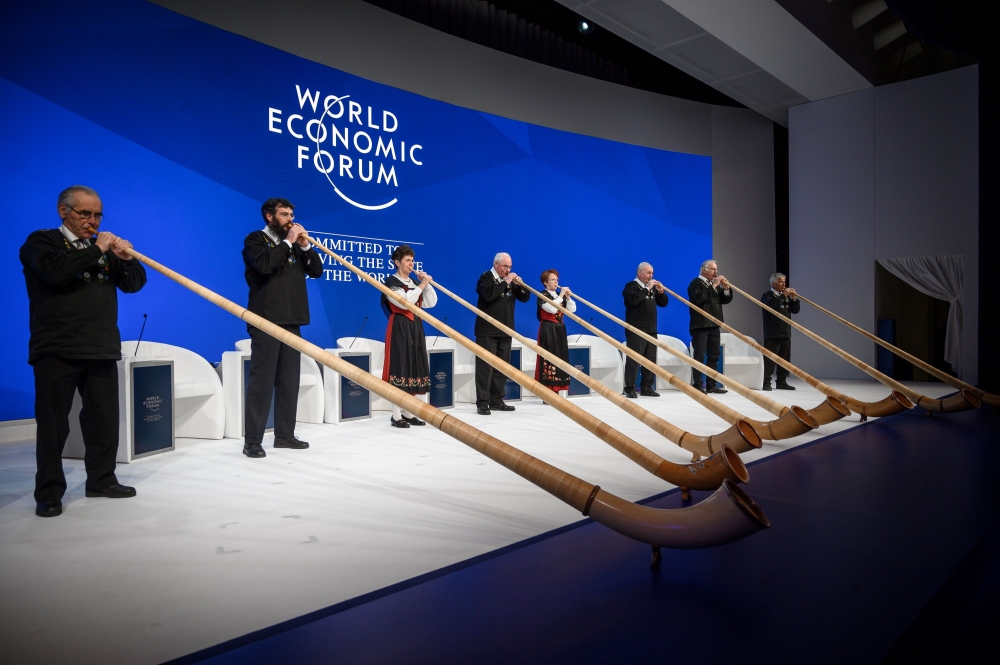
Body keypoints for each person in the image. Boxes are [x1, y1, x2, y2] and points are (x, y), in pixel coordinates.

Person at [20, 185, 147, 518]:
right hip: (56, 348)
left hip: (101, 347)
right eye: (85, 214)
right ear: (64, 211)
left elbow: (133, 284)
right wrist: (98, 249)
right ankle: (48, 492)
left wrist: (126, 259)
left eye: (97, 214)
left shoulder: (101, 249)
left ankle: (101, 480)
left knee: (103, 422)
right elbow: (55, 273)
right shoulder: (42, 242)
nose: (93, 221)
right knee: (53, 426)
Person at [242, 198, 323, 458]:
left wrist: (305, 245)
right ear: (269, 217)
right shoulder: (255, 240)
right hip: (265, 320)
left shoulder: (296, 245)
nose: (290, 218)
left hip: (292, 321)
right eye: (284, 214)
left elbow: (317, 270)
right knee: (262, 383)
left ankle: (285, 435)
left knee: (289, 381)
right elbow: (265, 266)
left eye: (291, 214)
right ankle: (252, 441)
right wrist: (288, 241)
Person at [381, 245, 436, 427]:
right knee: (400, 366)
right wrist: (421, 285)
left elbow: (430, 303)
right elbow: (405, 303)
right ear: (397, 262)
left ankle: (409, 412)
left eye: (412, 260)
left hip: (415, 327)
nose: (411, 264)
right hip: (400, 327)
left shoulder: (413, 283)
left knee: (414, 366)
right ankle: (396, 415)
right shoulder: (391, 281)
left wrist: (425, 285)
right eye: (407, 260)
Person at [474, 252, 530, 415]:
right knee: (485, 367)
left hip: (505, 330)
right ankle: (482, 402)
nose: (508, 269)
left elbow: (525, 298)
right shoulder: (485, 278)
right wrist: (506, 281)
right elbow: (488, 295)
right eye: (505, 266)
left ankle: (496, 400)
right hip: (487, 331)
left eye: (510, 267)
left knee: (501, 367)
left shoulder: (510, 281)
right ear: (496, 264)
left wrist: (520, 285)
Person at [622, 262, 668, 398]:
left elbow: (664, 303)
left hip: (651, 329)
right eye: (648, 273)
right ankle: (630, 388)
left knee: (650, 360)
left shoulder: (651, 288)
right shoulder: (630, 286)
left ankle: (647, 387)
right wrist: (647, 288)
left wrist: (660, 292)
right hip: (636, 329)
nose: (651, 276)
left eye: (652, 273)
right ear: (639, 273)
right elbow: (635, 300)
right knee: (634, 360)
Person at [688, 259, 733, 394]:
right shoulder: (695, 283)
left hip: (714, 324)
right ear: (704, 270)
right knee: (700, 355)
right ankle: (697, 384)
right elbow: (700, 299)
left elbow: (725, 300)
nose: (716, 272)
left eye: (716, 270)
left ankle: (711, 384)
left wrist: (726, 289)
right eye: (713, 269)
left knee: (714, 355)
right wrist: (714, 286)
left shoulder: (714, 285)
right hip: (700, 325)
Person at [535, 269, 575, 395]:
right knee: (548, 358)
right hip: (548, 329)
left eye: (557, 280)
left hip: (559, 329)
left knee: (560, 357)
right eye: (552, 280)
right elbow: (552, 309)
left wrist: (568, 298)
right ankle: (547, 392)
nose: (556, 282)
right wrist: (561, 295)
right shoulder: (542, 295)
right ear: (545, 283)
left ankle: (557, 389)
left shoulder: (559, 296)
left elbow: (571, 310)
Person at [760, 272, 800, 390]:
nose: (784, 284)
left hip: (785, 332)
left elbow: (795, 310)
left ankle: (782, 381)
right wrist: (783, 296)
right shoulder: (767, 295)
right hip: (772, 333)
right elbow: (772, 307)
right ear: (773, 283)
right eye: (781, 282)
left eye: (784, 282)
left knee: (785, 360)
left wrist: (794, 299)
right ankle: (766, 382)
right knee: (770, 360)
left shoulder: (786, 296)